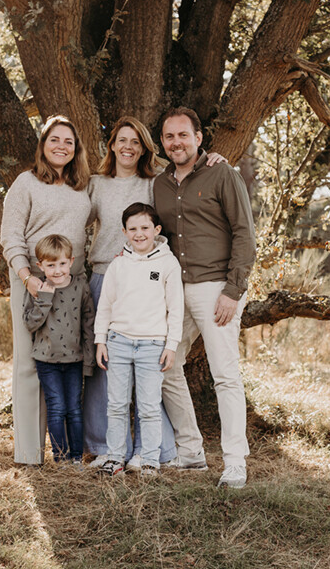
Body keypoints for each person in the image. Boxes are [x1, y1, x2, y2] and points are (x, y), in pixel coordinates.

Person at [83, 116, 226, 469]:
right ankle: (108, 447)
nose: (128, 147)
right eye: (122, 140)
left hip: (147, 281)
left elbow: (186, 166)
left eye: (136, 142)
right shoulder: (96, 184)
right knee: (107, 370)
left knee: (149, 370)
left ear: (145, 147)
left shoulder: (154, 182)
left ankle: (154, 451)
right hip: (105, 274)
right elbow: (76, 220)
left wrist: (212, 159)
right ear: (112, 145)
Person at [155, 106, 257, 489]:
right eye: (169, 136)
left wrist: (233, 290)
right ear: (162, 143)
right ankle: (192, 450)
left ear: (199, 137)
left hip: (217, 289)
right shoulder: (160, 183)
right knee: (164, 364)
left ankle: (235, 463)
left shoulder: (222, 174)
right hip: (174, 292)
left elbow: (244, 234)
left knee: (225, 376)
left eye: (183, 134)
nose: (176, 142)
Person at [0, 115, 93, 465]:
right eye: (55, 140)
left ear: (76, 148)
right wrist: (28, 278)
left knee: (68, 360)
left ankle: (67, 450)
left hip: (72, 283)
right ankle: (28, 453)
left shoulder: (84, 185)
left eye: (68, 141)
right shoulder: (25, 183)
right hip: (34, 280)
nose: (61, 147)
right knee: (29, 361)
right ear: (43, 144)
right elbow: (10, 236)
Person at [93, 201, 183, 476]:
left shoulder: (168, 263)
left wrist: (171, 345)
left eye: (145, 227)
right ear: (124, 232)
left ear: (156, 229)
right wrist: (101, 340)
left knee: (148, 407)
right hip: (118, 342)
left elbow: (176, 307)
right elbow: (105, 305)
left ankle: (150, 460)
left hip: (152, 346)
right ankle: (116, 457)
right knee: (117, 404)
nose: (139, 233)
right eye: (132, 229)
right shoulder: (118, 264)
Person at [22, 233, 96, 464]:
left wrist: (88, 360)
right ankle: (60, 458)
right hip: (47, 361)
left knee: (74, 409)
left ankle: (76, 457)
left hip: (74, 360)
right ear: (40, 265)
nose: (57, 271)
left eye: (62, 264)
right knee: (56, 408)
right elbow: (30, 322)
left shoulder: (81, 286)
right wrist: (44, 298)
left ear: (71, 261)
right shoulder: (38, 289)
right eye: (51, 265)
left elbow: (88, 323)